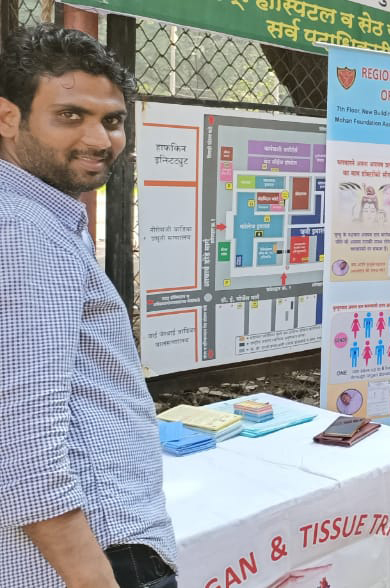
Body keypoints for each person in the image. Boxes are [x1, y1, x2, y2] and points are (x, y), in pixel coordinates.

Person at [0, 25, 177, 588]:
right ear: (7, 118)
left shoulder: (39, 216)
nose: (100, 140)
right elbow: (20, 429)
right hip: (98, 552)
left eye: (113, 120)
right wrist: (90, 574)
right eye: (70, 115)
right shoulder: (24, 230)